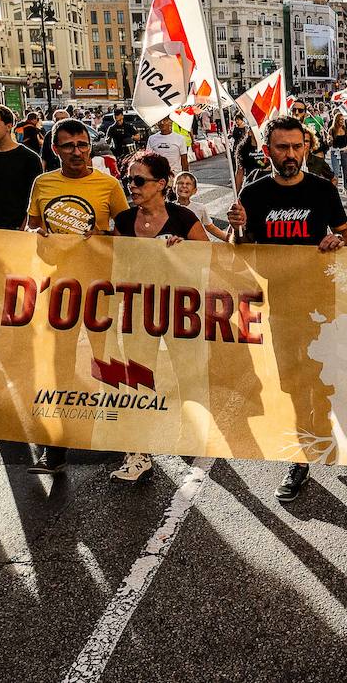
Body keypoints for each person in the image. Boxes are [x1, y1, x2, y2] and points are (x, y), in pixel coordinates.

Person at [226, 116, 347, 502]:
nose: (291, 154)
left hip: (319, 298)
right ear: (268, 151)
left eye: (297, 147)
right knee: (289, 377)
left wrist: (336, 241)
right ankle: (298, 457)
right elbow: (238, 248)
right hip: (276, 300)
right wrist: (237, 227)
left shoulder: (322, 190)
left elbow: (345, 232)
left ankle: (323, 422)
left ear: (307, 148)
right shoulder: (253, 191)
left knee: (320, 370)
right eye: (282, 148)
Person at [25, 118, 131, 474]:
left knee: (106, 358)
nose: (76, 151)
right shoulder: (42, 183)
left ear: (90, 146)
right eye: (68, 145)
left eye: (82, 144)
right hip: (59, 287)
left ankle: (116, 430)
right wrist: (40, 237)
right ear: (55, 149)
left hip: (101, 286)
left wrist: (101, 237)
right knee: (61, 362)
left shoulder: (109, 184)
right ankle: (56, 444)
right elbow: (32, 226)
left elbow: (128, 233)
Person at [109, 150, 209, 481]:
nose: (132, 186)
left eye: (139, 180)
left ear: (160, 184)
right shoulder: (124, 221)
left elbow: (211, 263)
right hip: (138, 311)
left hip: (180, 310)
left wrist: (183, 254)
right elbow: (112, 264)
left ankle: (192, 430)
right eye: (129, 180)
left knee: (187, 373)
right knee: (138, 380)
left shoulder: (184, 219)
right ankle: (139, 454)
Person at [0, 104, 45, 232]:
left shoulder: (30, 158)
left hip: (19, 230)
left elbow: (35, 199)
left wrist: (24, 228)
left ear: (9, 126)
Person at [173, 172, 231, 241]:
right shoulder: (168, 208)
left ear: (194, 191)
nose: (184, 186)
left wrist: (229, 239)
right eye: (180, 183)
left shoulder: (200, 208)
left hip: (196, 247)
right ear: (174, 188)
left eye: (188, 184)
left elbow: (211, 228)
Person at [328, 112, 347, 191]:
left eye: (343, 119)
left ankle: (345, 188)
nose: (342, 121)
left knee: (345, 170)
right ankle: (335, 189)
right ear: (336, 120)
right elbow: (328, 143)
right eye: (340, 120)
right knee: (336, 171)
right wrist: (330, 141)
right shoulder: (331, 130)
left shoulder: (346, 129)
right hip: (334, 152)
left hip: (344, 151)